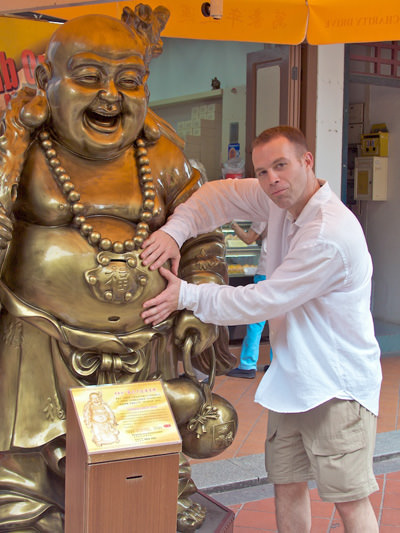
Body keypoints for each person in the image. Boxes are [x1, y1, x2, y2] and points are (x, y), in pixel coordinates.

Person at [0, 6, 236, 531]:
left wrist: (200, 291)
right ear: (47, 80)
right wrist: (11, 144)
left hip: (146, 339)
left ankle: (160, 488)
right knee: (26, 447)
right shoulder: (26, 147)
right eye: (88, 77)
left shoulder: (162, 153)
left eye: (129, 81)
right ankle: (31, 502)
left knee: (150, 438)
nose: (110, 96)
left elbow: (202, 232)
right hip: (42, 337)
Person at [141, 125, 382, 532]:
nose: (272, 180)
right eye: (263, 170)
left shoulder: (328, 233)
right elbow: (218, 196)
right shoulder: (279, 201)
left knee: (349, 503)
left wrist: (187, 295)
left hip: (338, 390)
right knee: (286, 487)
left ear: (307, 162)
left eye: (281, 166)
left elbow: (262, 300)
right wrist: (173, 231)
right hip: (293, 383)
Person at [227, 220, 272, 379]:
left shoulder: (264, 212)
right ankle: (275, 364)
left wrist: (233, 224)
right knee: (277, 319)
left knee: (256, 318)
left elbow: (248, 239)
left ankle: (247, 364)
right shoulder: (290, 211)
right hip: (282, 270)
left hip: (266, 270)